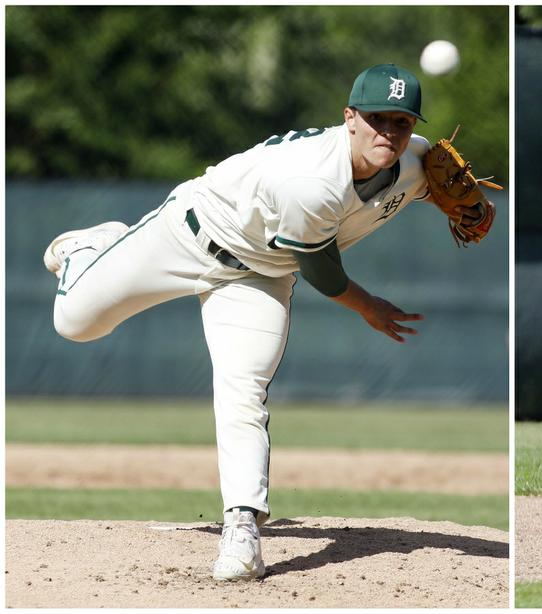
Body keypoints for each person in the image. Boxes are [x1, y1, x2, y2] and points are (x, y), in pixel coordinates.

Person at [45, 63, 486, 580]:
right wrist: (372, 307)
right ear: (349, 117)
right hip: (190, 233)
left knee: (243, 389)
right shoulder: (311, 183)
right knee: (74, 323)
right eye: (377, 118)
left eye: (402, 121)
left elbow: (437, 187)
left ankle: (241, 529)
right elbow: (322, 271)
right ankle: (87, 248)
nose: (389, 132)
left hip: (260, 275)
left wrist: (461, 203)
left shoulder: (417, 161)